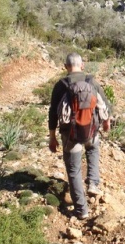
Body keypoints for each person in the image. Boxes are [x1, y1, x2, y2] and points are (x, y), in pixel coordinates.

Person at [48, 53, 111, 219]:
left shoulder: (61, 85)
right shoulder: (91, 82)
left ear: (65, 66)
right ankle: (93, 184)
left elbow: (53, 114)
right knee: (93, 150)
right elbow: (104, 104)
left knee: (74, 170)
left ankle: (81, 209)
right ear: (82, 65)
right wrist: (106, 122)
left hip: (70, 135)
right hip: (91, 130)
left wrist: (52, 137)